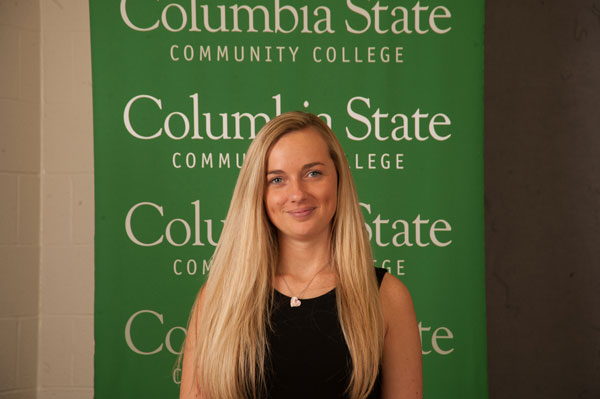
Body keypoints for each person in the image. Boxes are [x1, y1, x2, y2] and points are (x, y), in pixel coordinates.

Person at [179, 111, 422, 399]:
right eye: (277, 179)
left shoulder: (387, 296)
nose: (297, 193)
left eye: (313, 173)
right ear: (259, 192)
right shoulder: (218, 298)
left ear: (338, 179)